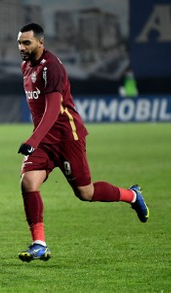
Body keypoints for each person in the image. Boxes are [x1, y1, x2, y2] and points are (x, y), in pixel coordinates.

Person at [16, 23, 149, 262]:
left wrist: (32, 139)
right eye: (19, 42)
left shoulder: (52, 67)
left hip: (68, 137)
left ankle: (132, 196)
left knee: (85, 193)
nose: (21, 47)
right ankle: (39, 244)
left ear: (40, 42)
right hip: (45, 140)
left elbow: (55, 109)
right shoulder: (26, 66)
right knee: (28, 182)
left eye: (27, 42)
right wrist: (38, 138)